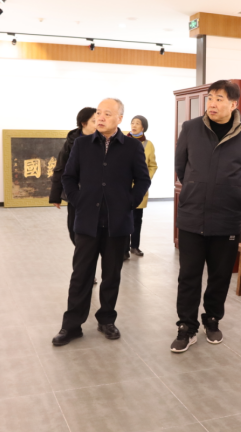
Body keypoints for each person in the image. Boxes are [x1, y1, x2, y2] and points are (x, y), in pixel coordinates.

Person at [171, 80, 241, 353]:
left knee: (220, 276)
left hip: (226, 218)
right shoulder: (190, 128)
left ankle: (212, 319)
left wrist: (230, 195)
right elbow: (181, 166)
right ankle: (186, 327)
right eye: (210, 97)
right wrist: (197, 190)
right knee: (188, 276)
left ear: (234, 104)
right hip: (192, 216)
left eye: (219, 99)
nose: (212, 103)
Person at [52, 98, 151, 346]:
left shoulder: (132, 147)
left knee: (111, 275)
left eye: (107, 113)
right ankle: (71, 325)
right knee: (81, 275)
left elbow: (143, 179)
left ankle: (106, 319)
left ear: (119, 118)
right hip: (87, 221)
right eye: (98, 113)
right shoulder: (82, 144)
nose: (101, 117)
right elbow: (68, 176)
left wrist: (129, 202)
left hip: (118, 224)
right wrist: (78, 201)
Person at [49, 107, 97, 244]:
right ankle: (80, 249)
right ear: (83, 123)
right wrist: (55, 195)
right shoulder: (71, 142)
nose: (98, 124)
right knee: (73, 227)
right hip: (76, 192)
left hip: (96, 192)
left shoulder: (103, 140)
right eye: (94, 121)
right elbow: (61, 168)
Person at [125, 115, 158, 258]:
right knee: (123, 219)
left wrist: (144, 179)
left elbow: (152, 165)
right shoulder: (123, 141)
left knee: (137, 219)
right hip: (123, 187)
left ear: (143, 127)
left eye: (137, 123)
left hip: (139, 189)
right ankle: (123, 250)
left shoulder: (148, 145)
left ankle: (135, 246)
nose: (134, 125)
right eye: (132, 123)